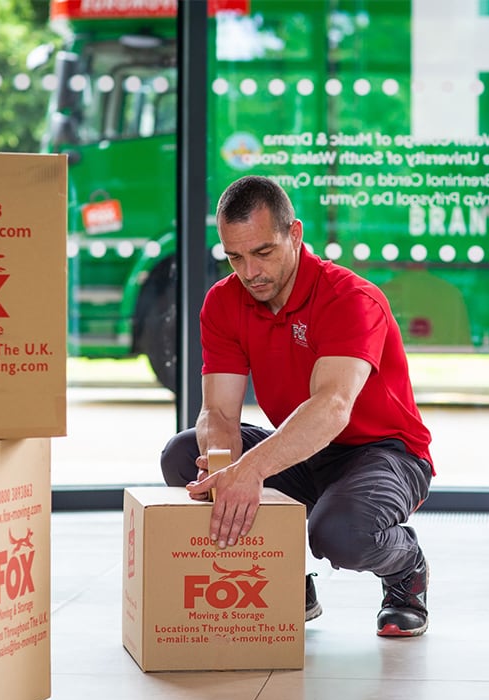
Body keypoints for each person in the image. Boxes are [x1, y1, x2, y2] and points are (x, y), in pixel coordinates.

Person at [161, 175, 435, 637]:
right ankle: (281, 576)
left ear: (294, 234)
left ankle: (407, 570)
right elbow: (219, 413)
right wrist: (224, 469)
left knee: (339, 534)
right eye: (235, 257)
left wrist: (250, 471)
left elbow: (332, 406)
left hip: (383, 452)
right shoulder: (224, 302)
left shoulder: (350, 299)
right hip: (305, 450)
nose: (250, 272)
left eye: (263, 252)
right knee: (185, 455)